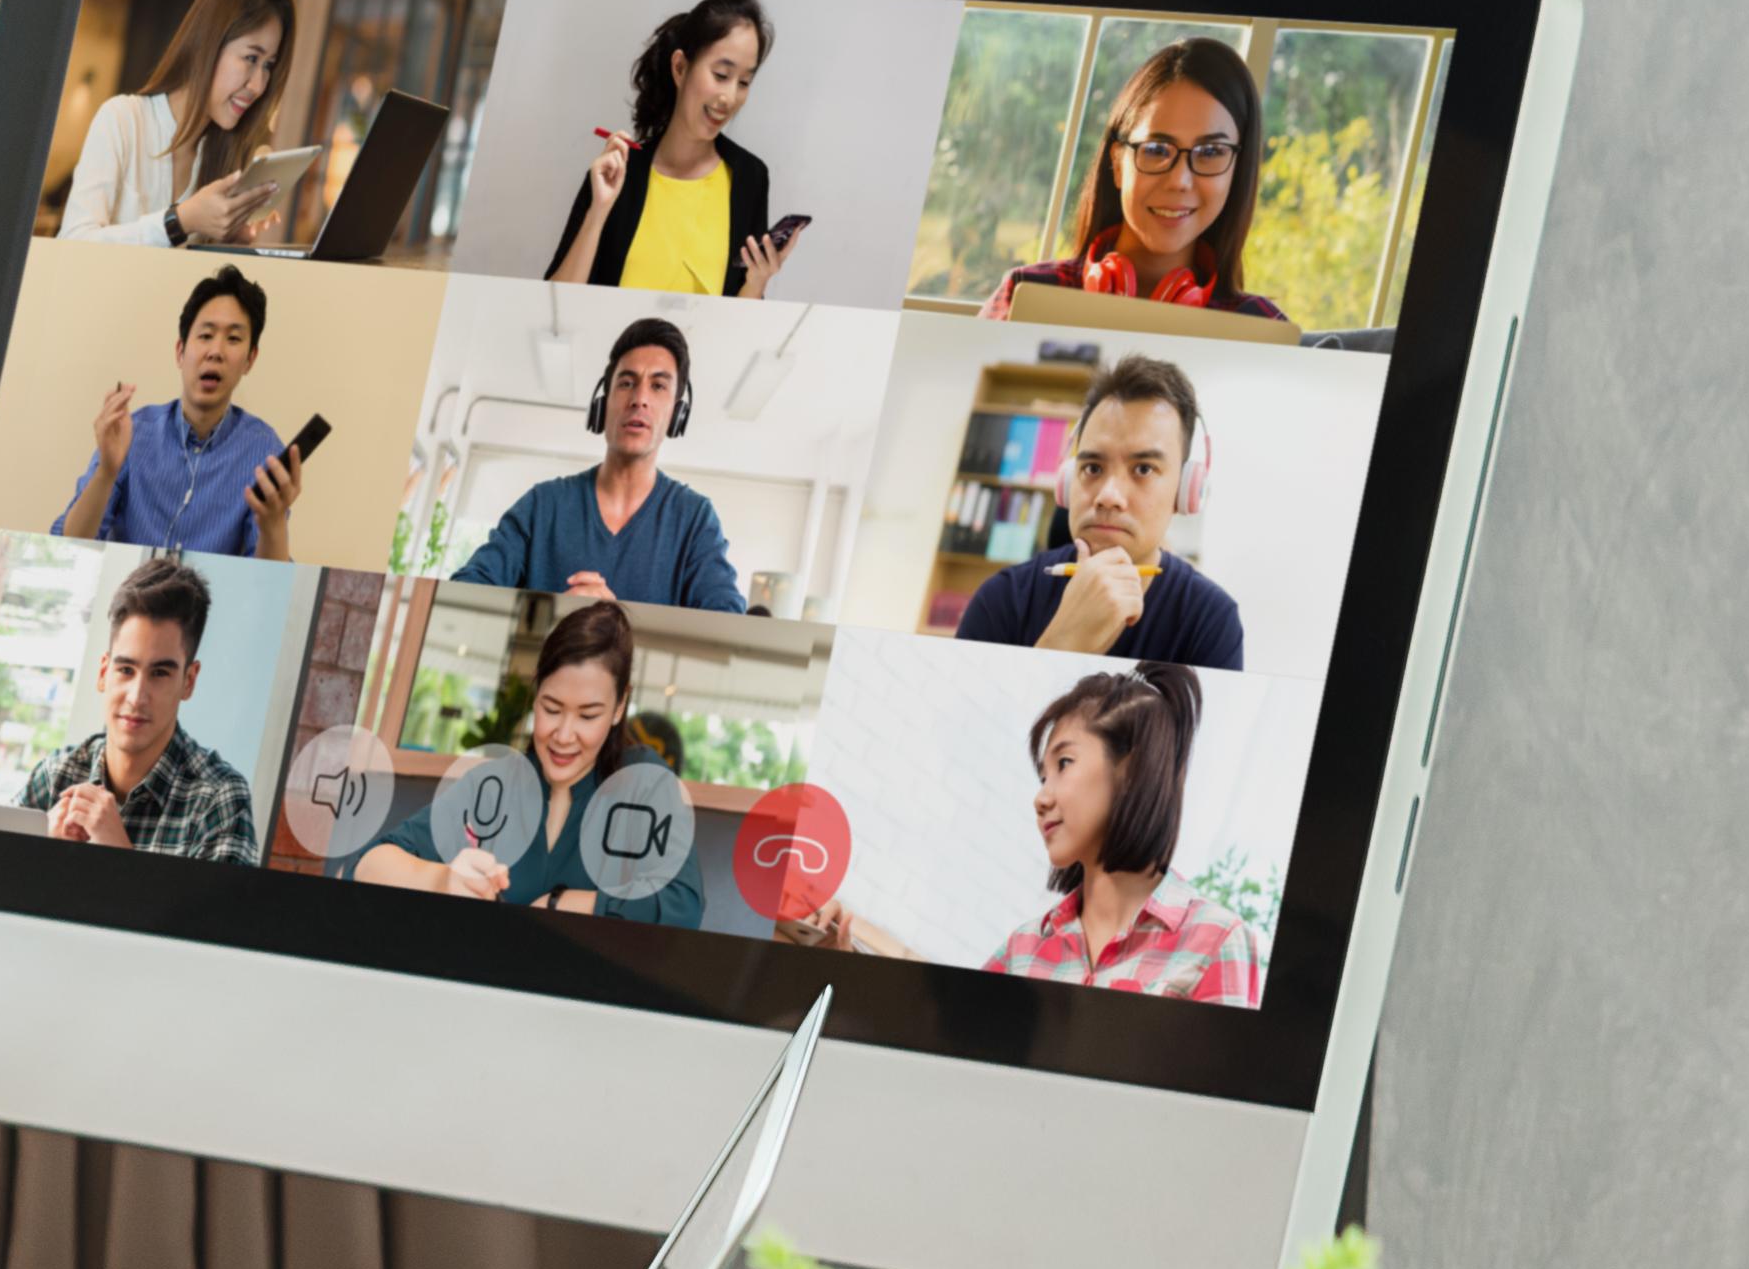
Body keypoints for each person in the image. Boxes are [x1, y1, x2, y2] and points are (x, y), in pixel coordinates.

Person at [776, 666, 1265, 1008]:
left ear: (1132, 770)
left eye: (1064, 765)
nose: (1041, 798)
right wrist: (845, 969)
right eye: (1041, 776)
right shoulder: (1023, 948)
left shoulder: (1217, 943)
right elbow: (946, 1057)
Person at [347, 598, 704, 929]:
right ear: (536, 693)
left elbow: (682, 906)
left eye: (588, 715)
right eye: (551, 708)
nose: (563, 735)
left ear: (620, 706)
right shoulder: (499, 782)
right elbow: (366, 865)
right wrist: (444, 880)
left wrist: (559, 903)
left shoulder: (647, 782)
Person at [954, 353, 1249, 665]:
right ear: (1068, 480)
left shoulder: (1211, 621)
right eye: (1093, 468)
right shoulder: (1001, 599)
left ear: (1186, 490)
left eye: (1144, 469)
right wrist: (1062, 643)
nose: (1108, 496)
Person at [984, 36, 1295, 325]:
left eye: (1211, 151)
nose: (1180, 181)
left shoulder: (1260, 326)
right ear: (1118, 162)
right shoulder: (1026, 295)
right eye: (1157, 149)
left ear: (1236, 173)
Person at [448, 317, 750, 611]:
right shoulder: (543, 504)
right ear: (603, 404)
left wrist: (612, 622)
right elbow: (465, 589)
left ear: (677, 413)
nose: (639, 398)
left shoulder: (695, 520)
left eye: (658, 386)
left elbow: (730, 622)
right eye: (627, 383)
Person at [541, 0, 795, 299]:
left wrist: (757, 282)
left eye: (743, 83)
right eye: (721, 75)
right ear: (680, 68)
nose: (729, 97)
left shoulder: (749, 177)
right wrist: (598, 213)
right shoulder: (620, 173)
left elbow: (739, 323)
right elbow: (553, 302)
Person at [48, 264, 305, 559]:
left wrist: (272, 525)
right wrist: (107, 471)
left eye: (233, 339)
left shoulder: (264, 451)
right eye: (206, 335)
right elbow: (69, 546)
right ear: (180, 352)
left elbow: (266, 586)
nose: (216, 351)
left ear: (250, 359)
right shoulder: (133, 433)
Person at [20, 553, 262, 861]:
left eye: (160, 673)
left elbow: (222, 912)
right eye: (126, 670)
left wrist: (119, 855)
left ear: (188, 681)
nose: (137, 697)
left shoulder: (220, 800)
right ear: (104, 672)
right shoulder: (55, 776)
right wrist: (37, 853)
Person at [60, 0, 308, 247]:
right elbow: (72, 243)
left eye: (268, 66)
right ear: (208, 44)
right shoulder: (122, 119)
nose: (259, 85)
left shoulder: (223, 158)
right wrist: (180, 221)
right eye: (251, 58)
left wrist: (230, 238)